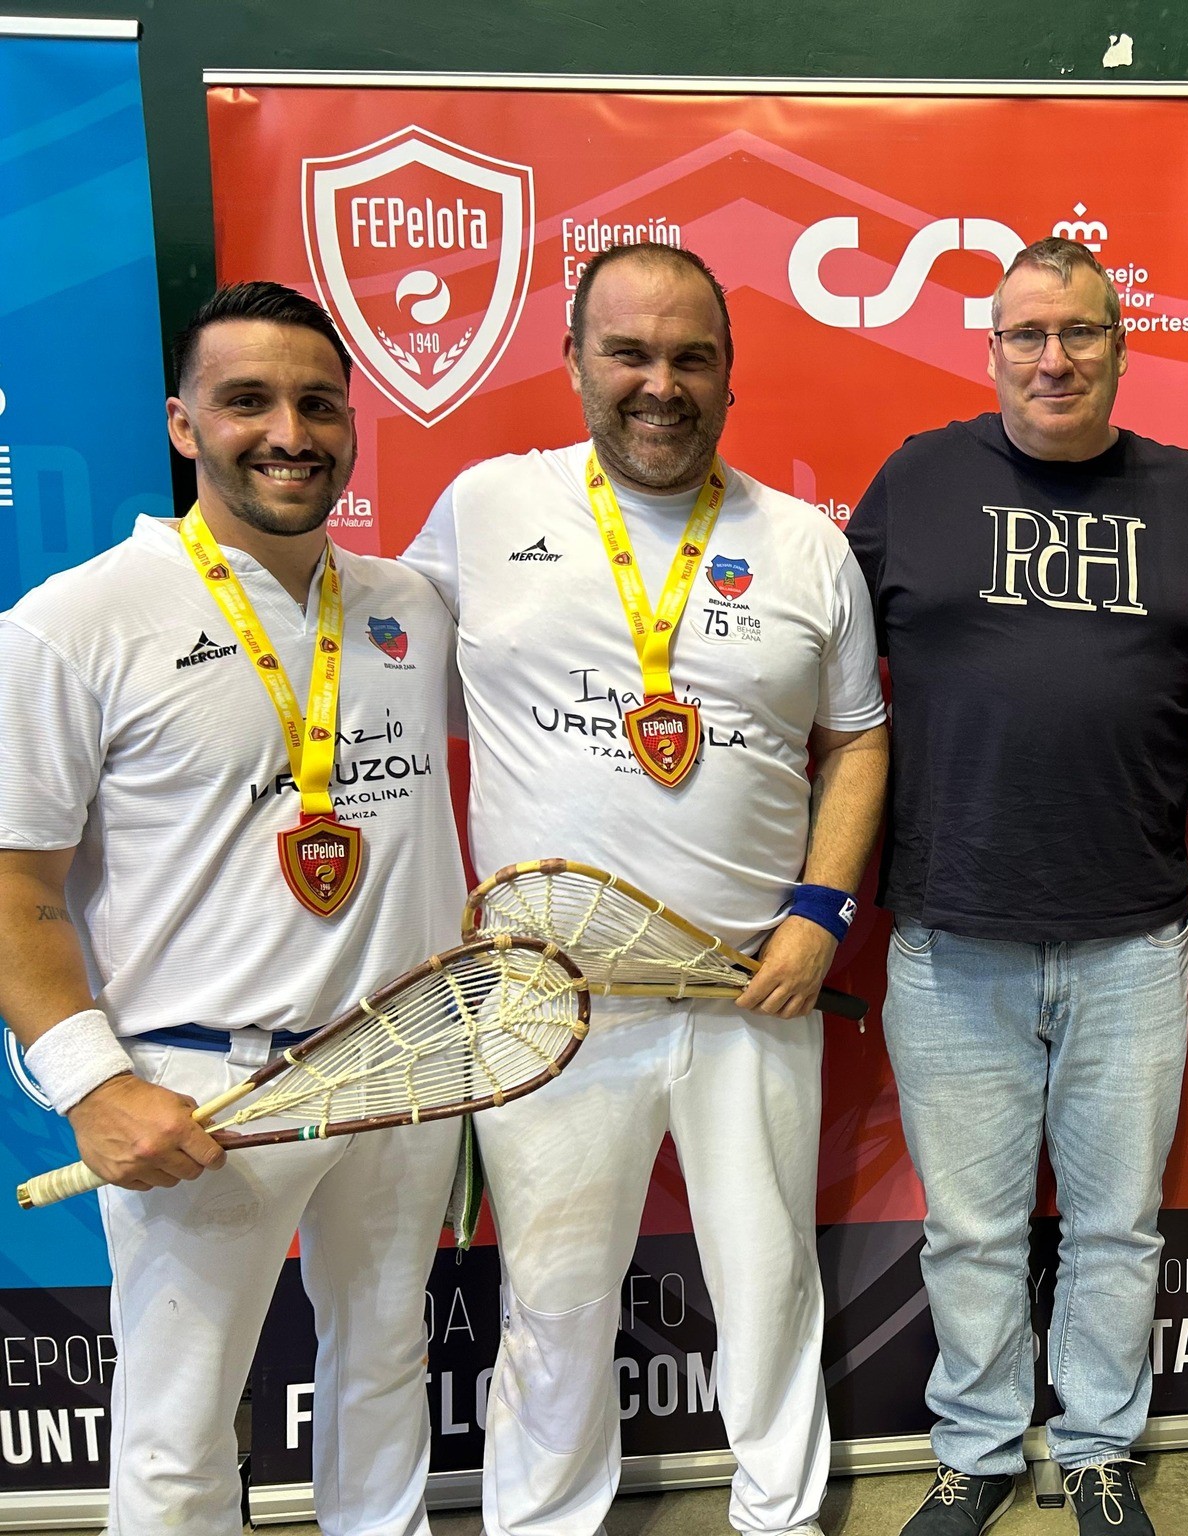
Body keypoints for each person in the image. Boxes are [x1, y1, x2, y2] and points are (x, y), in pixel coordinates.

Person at [401, 241, 888, 1536]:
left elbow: (858, 739)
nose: (658, 383)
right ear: (573, 365)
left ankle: (780, 1517)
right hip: (548, 1006)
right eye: (628, 352)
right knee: (554, 1301)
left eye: (690, 357)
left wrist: (820, 913)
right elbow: (379, 686)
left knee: (771, 1283)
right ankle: (545, 1521)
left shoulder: (804, 546)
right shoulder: (484, 510)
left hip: (754, 997)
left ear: (731, 377)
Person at [0, 281, 466, 1535]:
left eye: (317, 402)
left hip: (399, 1076)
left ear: (353, 424)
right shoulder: (73, 624)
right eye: (246, 400)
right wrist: (95, 1086)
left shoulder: (408, 604)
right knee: (179, 1437)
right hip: (204, 1094)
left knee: (382, 1378)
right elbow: (13, 886)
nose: (287, 431)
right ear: (180, 423)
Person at [845, 236, 1188, 1536]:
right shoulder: (916, 482)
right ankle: (973, 1446)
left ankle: (1097, 1454)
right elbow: (833, 681)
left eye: (1081, 332)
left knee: (1118, 1228)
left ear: (1121, 350)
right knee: (967, 1229)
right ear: (993, 349)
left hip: (1130, 937)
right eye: (1028, 333)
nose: (1055, 357)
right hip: (950, 932)